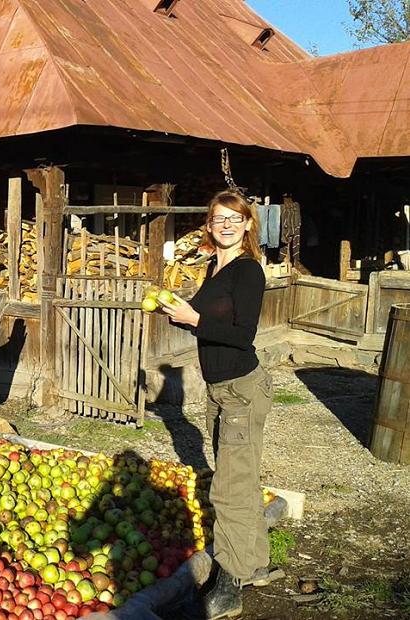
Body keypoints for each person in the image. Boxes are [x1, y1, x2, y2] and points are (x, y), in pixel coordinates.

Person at [160, 190, 274, 620]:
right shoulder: (215, 266)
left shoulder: (248, 272)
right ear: (208, 225)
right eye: (217, 218)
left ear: (248, 225)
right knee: (240, 479)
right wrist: (185, 315)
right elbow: (213, 326)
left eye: (234, 218)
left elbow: (242, 335)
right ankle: (257, 563)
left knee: (226, 489)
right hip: (220, 389)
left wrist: (196, 320)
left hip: (242, 389)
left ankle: (228, 589)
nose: (224, 224)